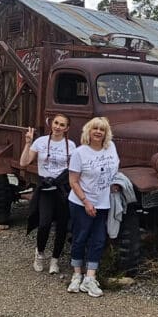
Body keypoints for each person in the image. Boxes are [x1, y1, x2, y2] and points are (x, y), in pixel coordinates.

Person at [66, 117, 120, 297]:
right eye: (95, 128)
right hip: (81, 202)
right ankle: (76, 274)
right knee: (80, 237)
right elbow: (73, 181)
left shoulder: (111, 148)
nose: (98, 132)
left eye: (102, 130)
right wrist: (86, 201)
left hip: (102, 202)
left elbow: (114, 169)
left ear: (106, 133)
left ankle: (90, 277)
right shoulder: (80, 153)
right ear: (88, 131)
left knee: (98, 239)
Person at [20, 114, 76, 274]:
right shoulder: (41, 142)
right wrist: (28, 143)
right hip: (45, 188)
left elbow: (74, 168)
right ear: (52, 124)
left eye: (62, 125)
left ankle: (55, 260)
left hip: (62, 189)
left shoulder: (71, 146)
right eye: (56, 123)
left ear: (67, 128)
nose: (58, 127)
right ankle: (39, 253)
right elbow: (24, 162)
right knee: (44, 223)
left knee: (62, 226)